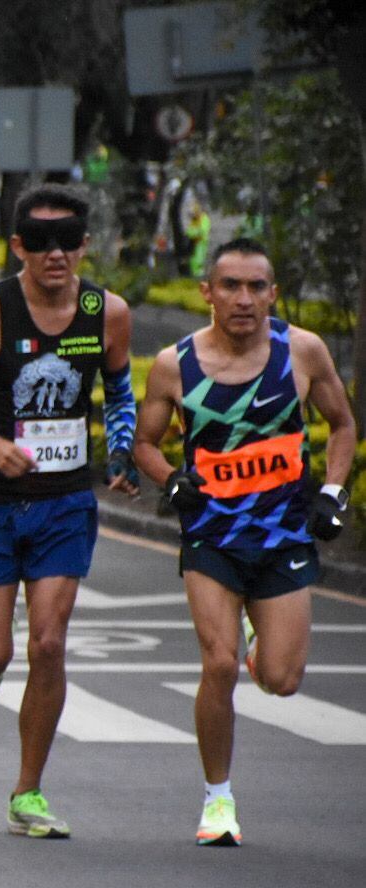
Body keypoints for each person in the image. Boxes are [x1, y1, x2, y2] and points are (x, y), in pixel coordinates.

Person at [0, 183, 137, 839]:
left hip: (63, 503)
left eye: (67, 240)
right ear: (17, 246)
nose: (54, 254)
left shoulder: (107, 312)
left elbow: (120, 391)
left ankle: (27, 793)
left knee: (48, 641)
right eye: (38, 241)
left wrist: (120, 454)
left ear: (84, 245)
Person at [133, 238, 354, 847]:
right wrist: (171, 481)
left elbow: (342, 423)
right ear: (207, 292)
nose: (244, 298)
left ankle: (261, 643)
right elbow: (145, 442)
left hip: (283, 533)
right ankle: (218, 801)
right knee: (218, 663)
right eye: (230, 285)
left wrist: (333, 492)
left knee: (281, 680)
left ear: (273, 293)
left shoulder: (302, 351)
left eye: (257, 286)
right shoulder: (175, 364)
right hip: (212, 535)